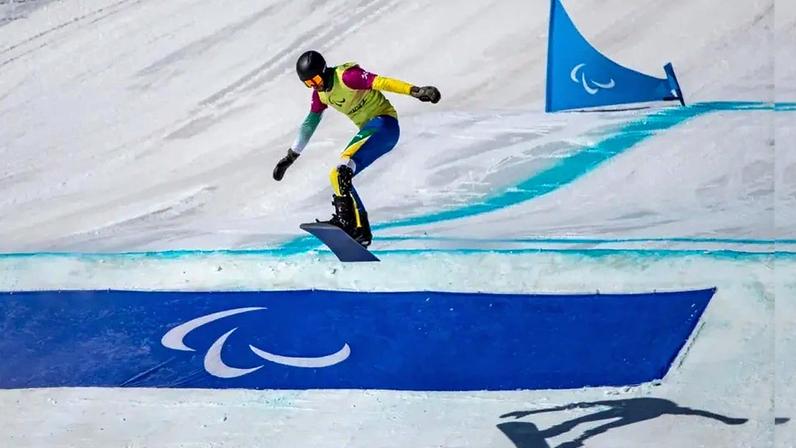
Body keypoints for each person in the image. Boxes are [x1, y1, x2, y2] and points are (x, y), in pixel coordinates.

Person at [273, 50, 440, 247]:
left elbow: (382, 82)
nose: (315, 85)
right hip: (374, 134)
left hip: (384, 124)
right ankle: (361, 231)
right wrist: (291, 156)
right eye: (309, 83)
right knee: (338, 175)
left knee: (343, 166)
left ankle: (347, 223)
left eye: (315, 79)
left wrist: (415, 91)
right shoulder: (321, 95)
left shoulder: (346, 77)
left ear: (324, 71)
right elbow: (310, 122)